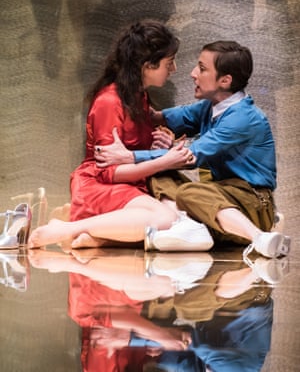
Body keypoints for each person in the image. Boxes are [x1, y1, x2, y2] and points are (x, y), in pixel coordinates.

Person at [92, 40, 291, 259]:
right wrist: (131, 92)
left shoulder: (243, 118)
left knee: (191, 192)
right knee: (160, 173)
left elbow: (190, 156)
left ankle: (258, 237)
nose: (193, 73)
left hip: (251, 202)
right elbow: (164, 118)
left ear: (225, 80)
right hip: (220, 195)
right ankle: (190, 228)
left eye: (202, 69)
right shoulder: (210, 106)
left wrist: (129, 156)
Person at [28, 20, 213, 250]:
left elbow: (133, 151)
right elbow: (108, 173)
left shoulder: (138, 97)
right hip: (98, 185)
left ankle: (99, 236)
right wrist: (163, 161)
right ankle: (66, 228)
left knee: (183, 216)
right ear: (147, 66)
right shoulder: (110, 101)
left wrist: (160, 147)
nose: (173, 69)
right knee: (166, 219)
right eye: (169, 62)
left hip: (132, 184)